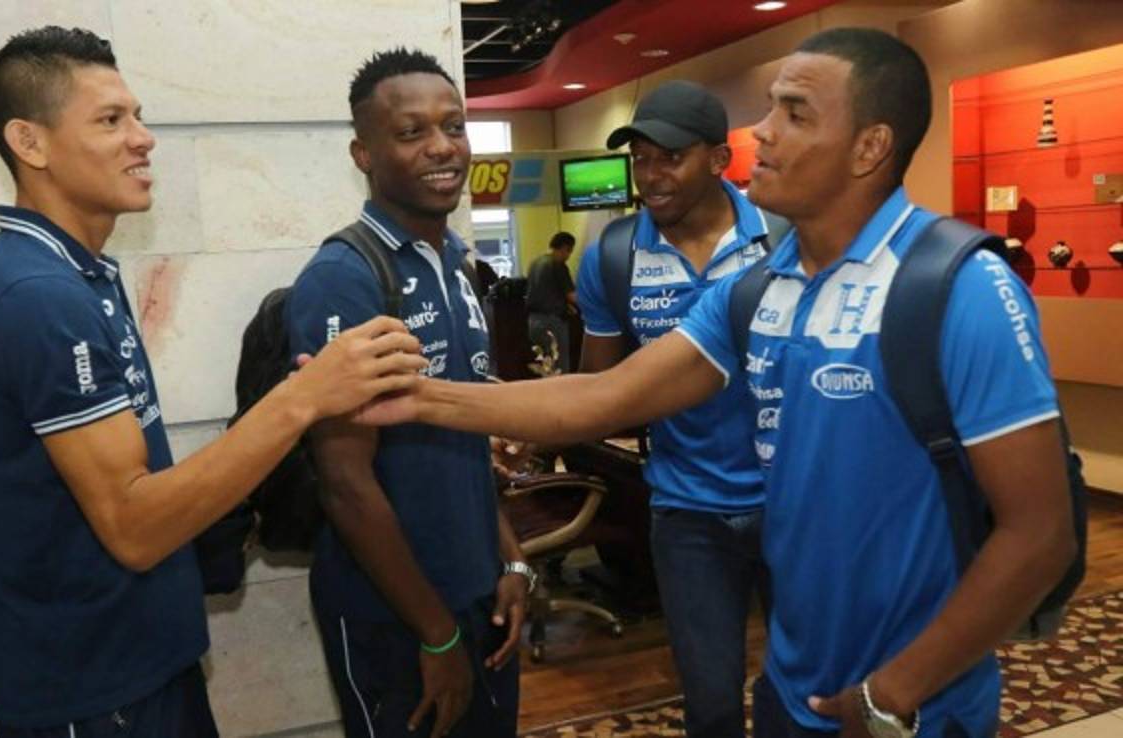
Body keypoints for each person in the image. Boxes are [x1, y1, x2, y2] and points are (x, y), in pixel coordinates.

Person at [358, 28, 1076, 738]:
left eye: (795, 113)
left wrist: (892, 695)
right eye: (770, 108)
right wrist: (421, 396)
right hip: (794, 691)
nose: (762, 131)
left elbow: (1041, 536)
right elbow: (603, 395)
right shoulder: (759, 291)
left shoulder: (962, 288)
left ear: (870, 148)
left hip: (910, 709)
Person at [0, 27, 425, 737]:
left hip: (138, 665)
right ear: (29, 142)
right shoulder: (36, 296)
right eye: (110, 120)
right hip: (93, 689)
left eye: (137, 116)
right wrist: (302, 397)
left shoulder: (75, 275)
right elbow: (135, 527)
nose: (143, 139)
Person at [285, 48, 527, 738]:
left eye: (453, 126)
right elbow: (345, 483)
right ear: (363, 153)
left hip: (479, 595)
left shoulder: (455, 263)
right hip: (395, 618)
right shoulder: (344, 278)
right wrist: (436, 633)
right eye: (411, 132)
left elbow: (467, 439)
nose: (442, 147)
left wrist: (510, 556)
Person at [575, 79, 770, 738]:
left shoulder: (782, 237)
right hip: (687, 510)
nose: (650, 176)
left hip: (792, 500)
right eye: (640, 159)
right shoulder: (613, 256)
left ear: (719, 160)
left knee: (809, 691)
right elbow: (597, 390)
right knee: (710, 702)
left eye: (670, 158)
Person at [525, 231, 577, 373]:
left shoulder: (535, 263)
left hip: (533, 322)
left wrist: (565, 306)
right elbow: (572, 296)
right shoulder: (558, 264)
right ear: (565, 247)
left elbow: (545, 291)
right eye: (569, 251)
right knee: (559, 367)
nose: (569, 256)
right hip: (552, 323)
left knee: (544, 366)